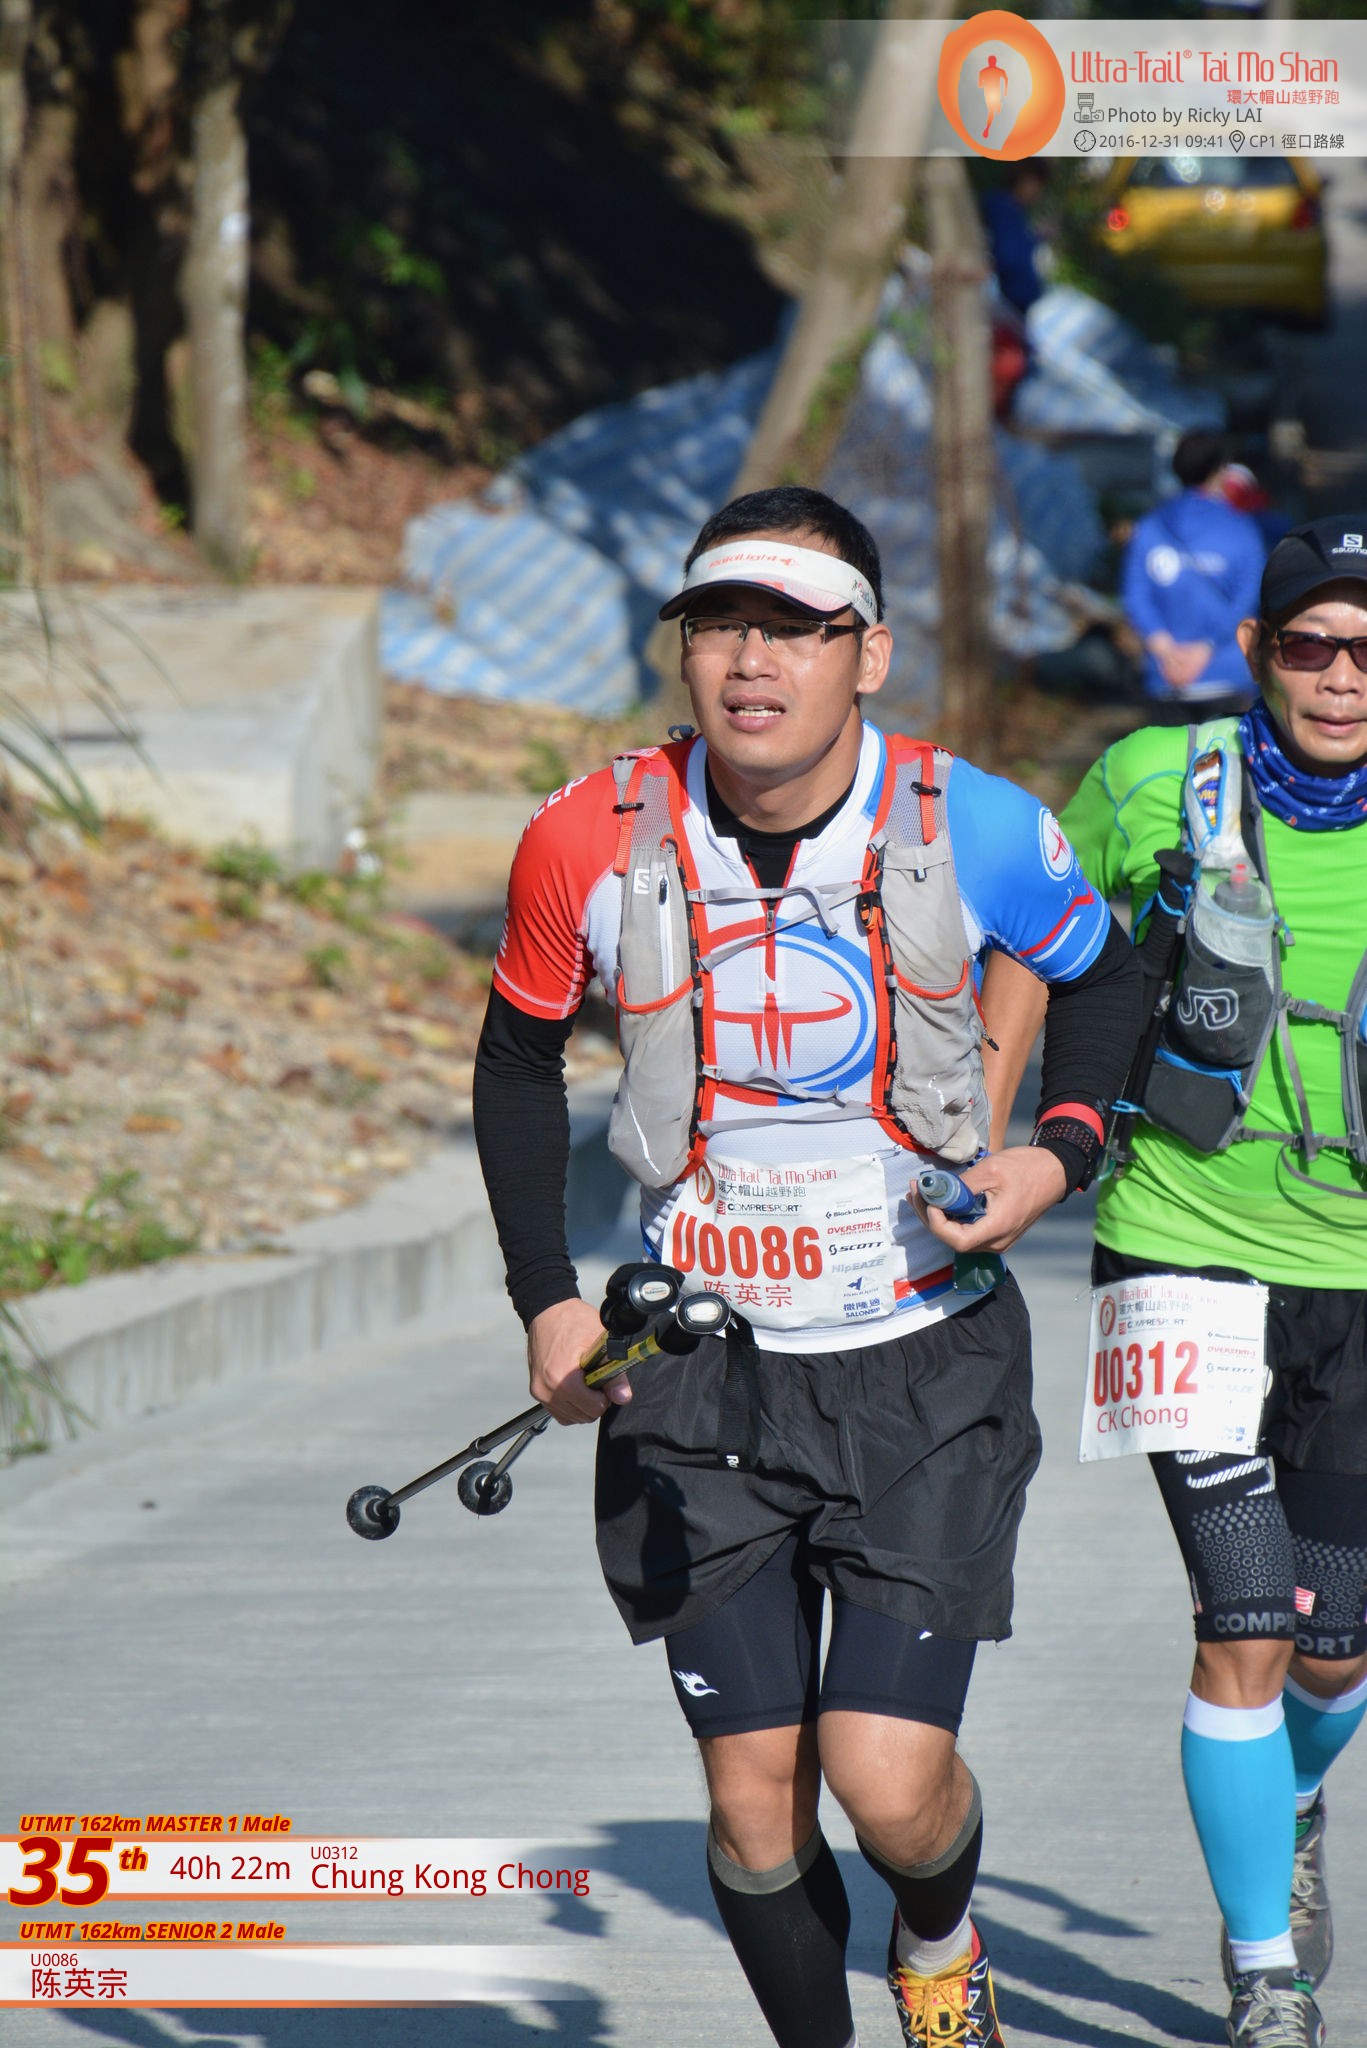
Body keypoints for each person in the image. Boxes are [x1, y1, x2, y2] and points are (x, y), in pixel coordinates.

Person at [473, 485, 1142, 2048]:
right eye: (718, 624)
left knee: (884, 1784)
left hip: (920, 1364)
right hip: (696, 1368)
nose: (749, 660)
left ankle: (939, 1938)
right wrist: (548, 1298)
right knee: (752, 1808)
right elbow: (516, 1063)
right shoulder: (585, 837)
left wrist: (1054, 1152)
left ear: (869, 654)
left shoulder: (970, 825)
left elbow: (1102, 983)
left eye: (793, 628)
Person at [1061, 515, 1367, 2048]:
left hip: (1354, 1275)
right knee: (1240, 1619)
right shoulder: (1146, 781)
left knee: (1333, 1643)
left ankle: (1288, 1800)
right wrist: (1006, 1145)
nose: (1339, 676)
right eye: (1309, 643)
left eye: (1366, 650)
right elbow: (1032, 948)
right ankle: (1263, 1977)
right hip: (1177, 1237)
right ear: (1256, 651)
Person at [1122, 429, 1266, 722]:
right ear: (1219, 471)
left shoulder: (1150, 527)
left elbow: (1135, 596)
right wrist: (1206, 647)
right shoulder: (1242, 529)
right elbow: (1250, 596)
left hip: (1165, 677)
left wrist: (1164, 647)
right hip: (1227, 674)